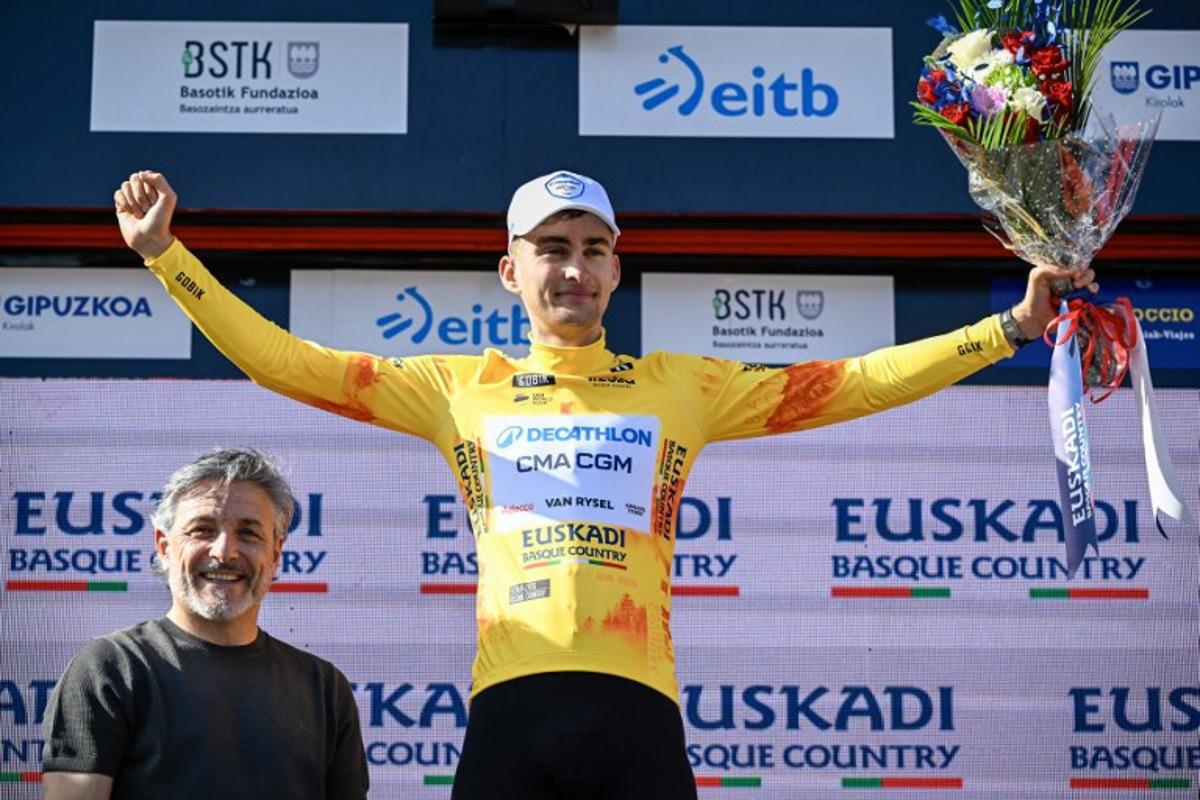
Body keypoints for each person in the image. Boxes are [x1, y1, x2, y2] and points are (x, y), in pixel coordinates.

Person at [112, 169, 1096, 800]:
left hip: (638, 710)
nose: (573, 267)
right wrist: (168, 257)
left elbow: (848, 384)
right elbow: (289, 361)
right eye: (552, 248)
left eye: (592, 248)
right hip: (509, 703)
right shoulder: (457, 387)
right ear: (511, 269)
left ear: (617, 270)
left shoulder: (682, 386)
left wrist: (1004, 330)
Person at [41, 448, 369, 800]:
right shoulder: (109, 669)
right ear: (164, 548)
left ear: (275, 554)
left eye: (248, 534)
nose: (224, 552)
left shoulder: (322, 688)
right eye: (203, 530)